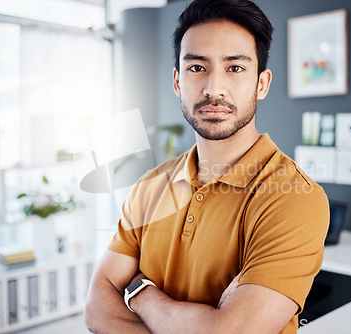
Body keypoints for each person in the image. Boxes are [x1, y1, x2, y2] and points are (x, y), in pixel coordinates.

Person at [85, 0, 329, 333]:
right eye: (197, 68)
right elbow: (97, 309)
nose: (214, 88)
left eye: (235, 68)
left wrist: (140, 293)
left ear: (262, 83)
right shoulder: (149, 186)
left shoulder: (295, 197)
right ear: (177, 82)